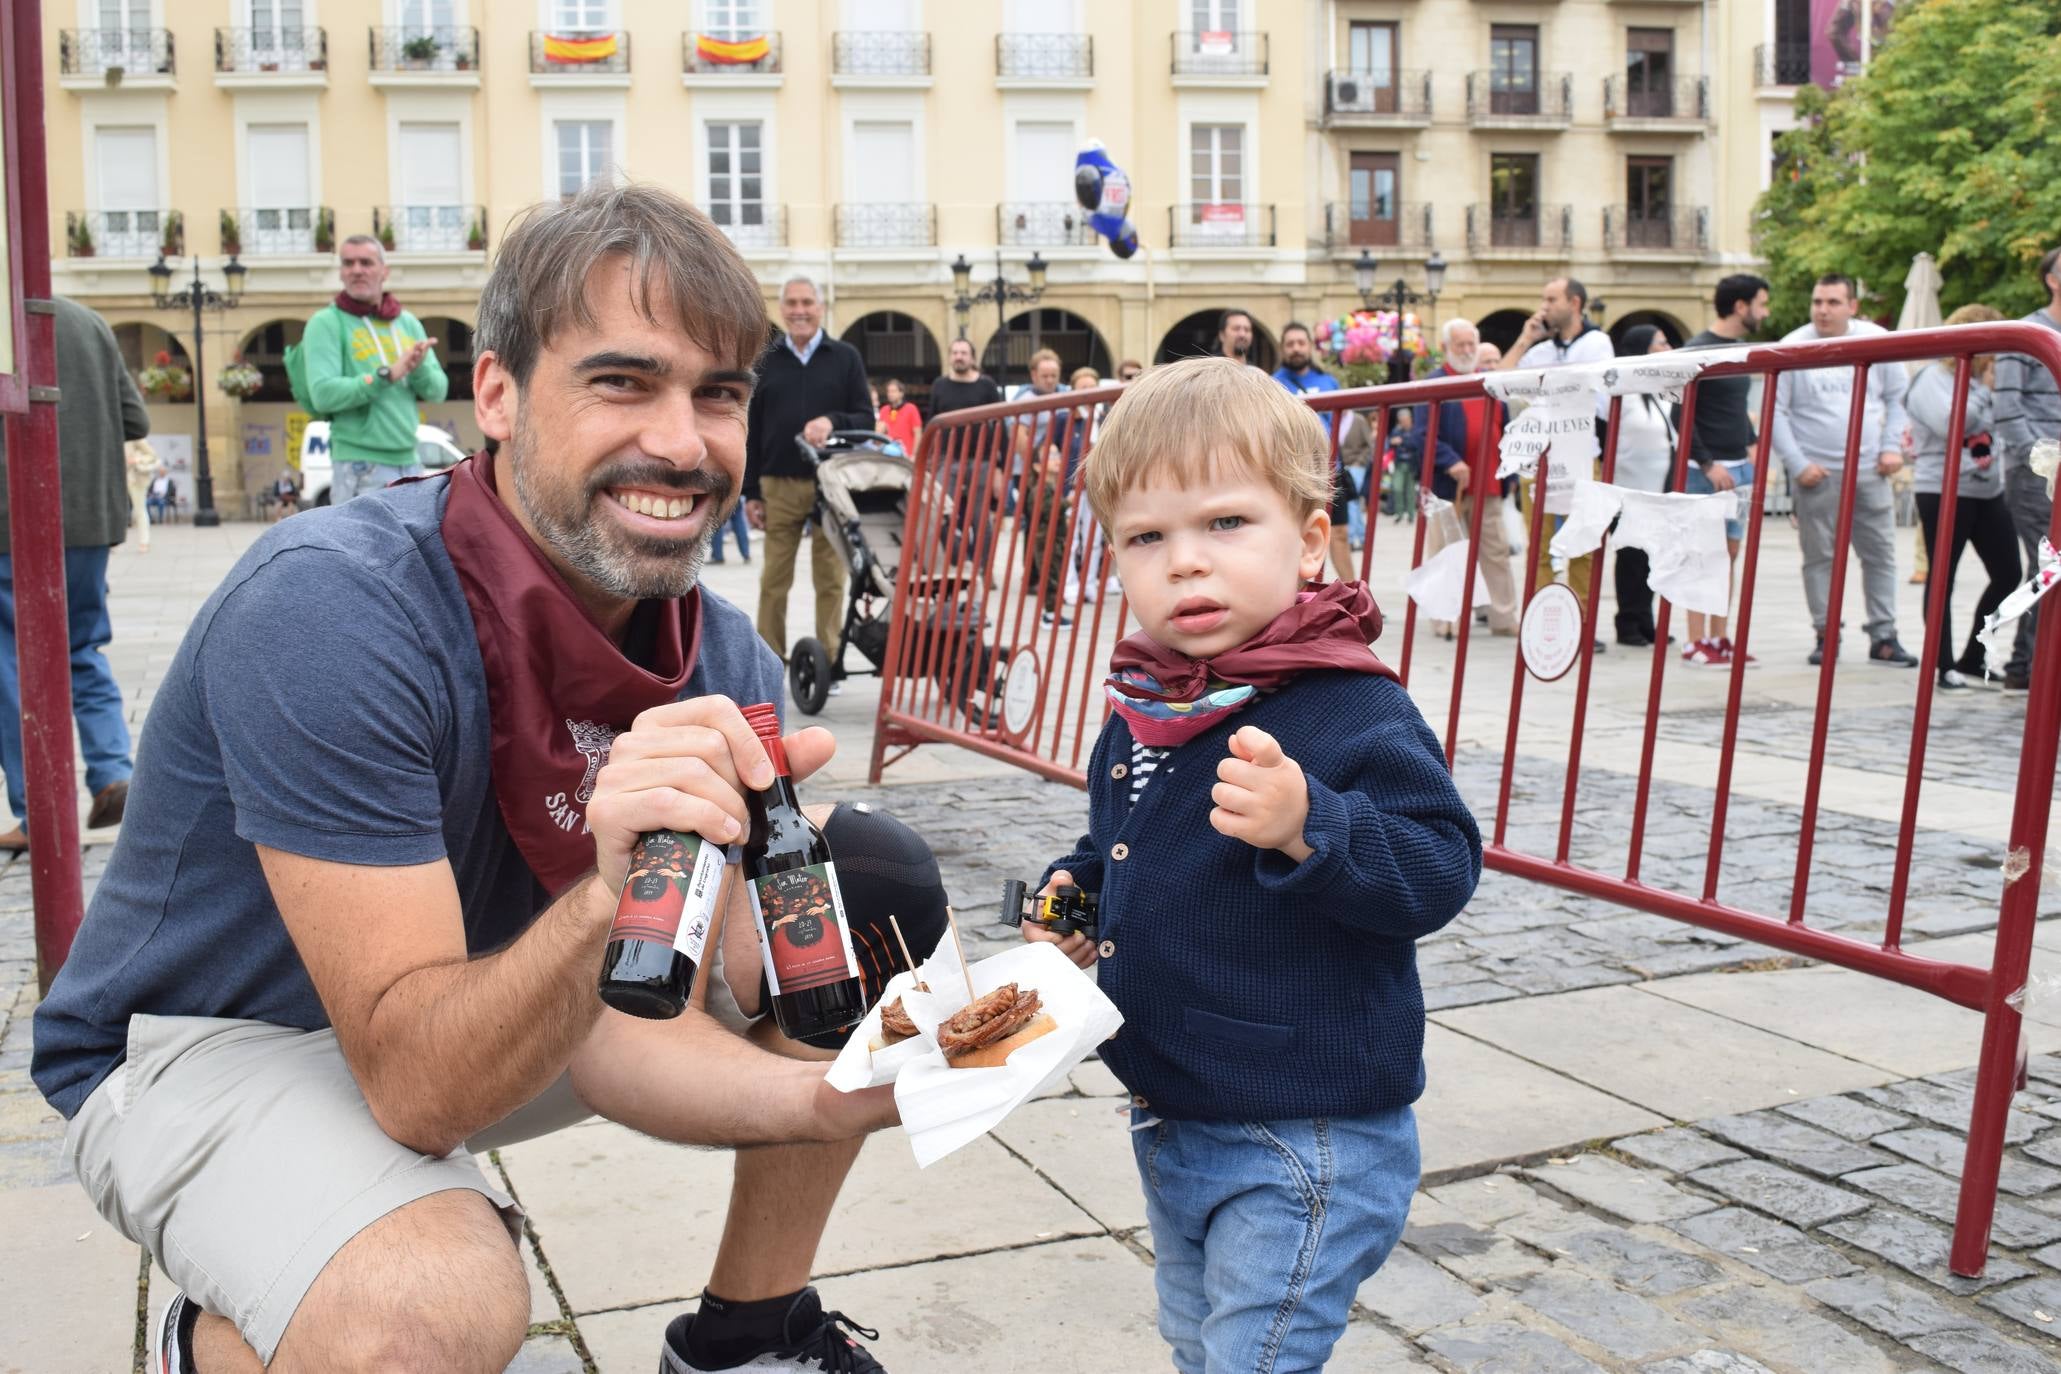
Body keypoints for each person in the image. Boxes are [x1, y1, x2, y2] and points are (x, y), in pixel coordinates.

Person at [32, 183, 938, 1374]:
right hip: (212, 1040)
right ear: (498, 394)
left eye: (718, 394)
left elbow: (627, 1017)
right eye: (623, 382)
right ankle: (215, 1343)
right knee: (433, 1306)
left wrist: (869, 1073)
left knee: (858, 900)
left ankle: (749, 1336)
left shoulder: (718, 652)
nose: (682, 441)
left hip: (478, 1005)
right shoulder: (334, 608)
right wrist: (621, 891)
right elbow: (422, 1089)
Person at [1024, 356, 1480, 1374]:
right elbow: (1123, 843)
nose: (1185, 562)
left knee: (1254, 1360)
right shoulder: (1149, 705)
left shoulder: (1351, 705)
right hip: (1176, 1108)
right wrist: (1076, 890)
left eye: (1225, 524)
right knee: (1198, 1344)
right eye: (1148, 538)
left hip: (1306, 1130)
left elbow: (1439, 866)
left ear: (1310, 543)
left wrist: (1311, 823)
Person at [0, 294, 149, 850]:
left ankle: (36, 807)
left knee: (10, 659)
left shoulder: (5, 320)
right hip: (89, 515)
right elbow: (136, 417)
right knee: (81, 645)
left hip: (12, 516)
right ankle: (112, 769)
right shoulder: (88, 321)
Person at [1770, 273, 1919, 667]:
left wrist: (1891, 447)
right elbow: (1775, 411)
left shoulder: (1874, 341)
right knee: (1819, 558)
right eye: (1818, 301)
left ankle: (1884, 636)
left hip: (1870, 468)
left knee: (1881, 555)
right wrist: (1797, 464)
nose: (1823, 310)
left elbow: (1898, 399)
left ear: (1852, 306)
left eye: (1833, 302)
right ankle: (1826, 632)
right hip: (1819, 474)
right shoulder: (1792, 347)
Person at [743, 275, 872, 662]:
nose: (799, 311)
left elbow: (866, 417)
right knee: (773, 579)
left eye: (807, 303)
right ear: (781, 309)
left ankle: (828, 660)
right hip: (777, 484)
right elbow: (751, 428)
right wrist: (750, 491)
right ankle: (768, 659)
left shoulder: (845, 356)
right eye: (792, 303)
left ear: (820, 307)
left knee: (830, 578)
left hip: (832, 485)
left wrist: (833, 421)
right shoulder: (765, 360)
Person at [1909, 304, 2017, 691]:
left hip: (1988, 489)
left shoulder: (1984, 379)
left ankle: (1973, 655)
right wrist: (1986, 394)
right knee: (1943, 578)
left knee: (2009, 573)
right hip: (1943, 489)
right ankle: (1942, 664)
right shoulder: (1932, 379)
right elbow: (1951, 423)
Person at [1503, 279, 1614, 648]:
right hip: (1538, 457)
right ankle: (1545, 625)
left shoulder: (1597, 344)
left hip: (1581, 452)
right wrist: (1524, 339)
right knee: (1539, 544)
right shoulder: (1538, 351)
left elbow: (1600, 400)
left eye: (1551, 299)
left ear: (1575, 302)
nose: (1544, 306)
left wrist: (1548, 397)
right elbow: (1501, 384)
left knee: (1584, 539)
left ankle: (1581, 624)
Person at [301, 234, 447, 502]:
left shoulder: (408, 323)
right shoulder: (326, 323)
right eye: (348, 263)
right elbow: (323, 393)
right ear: (341, 273)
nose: (357, 270)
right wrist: (386, 375)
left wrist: (417, 368)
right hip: (358, 465)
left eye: (366, 262)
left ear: (384, 271)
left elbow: (438, 390)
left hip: (410, 462)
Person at [1398, 318, 1519, 639]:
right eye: (1460, 345)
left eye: (1470, 345)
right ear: (1446, 348)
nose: (1466, 351)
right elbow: (1423, 435)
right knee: (1445, 553)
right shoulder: (1434, 383)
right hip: (1447, 487)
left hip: (1488, 484)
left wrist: (1510, 471)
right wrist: (1450, 461)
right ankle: (1444, 618)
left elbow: (1503, 430)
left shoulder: (1488, 381)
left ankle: (1503, 617)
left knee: (1496, 551)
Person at [1676, 274, 1771, 667]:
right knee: (1700, 555)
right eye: (1761, 304)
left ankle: (1720, 637)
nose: (1766, 312)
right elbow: (1681, 412)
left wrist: (1751, 447)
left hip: (1738, 469)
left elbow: (1735, 409)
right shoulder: (1697, 350)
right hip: (1705, 471)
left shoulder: (1741, 349)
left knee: (1729, 555)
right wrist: (1708, 463)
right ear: (1740, 306)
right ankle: (1694, 640)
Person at [1993, 246, 2061, 693]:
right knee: (2050, 566)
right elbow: (2007, 408)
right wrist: (2041, 459)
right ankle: (2033, 668)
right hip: (2039, 471)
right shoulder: (2028, 334)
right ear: (2051, 279)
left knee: (2049, 569)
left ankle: (2025, 664)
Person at [1610, 326, 1678, 647]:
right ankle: (1628, 622)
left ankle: (1646, 619)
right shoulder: (1621, 391)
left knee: (1653, 556)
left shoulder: (1664, 389)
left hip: (1658, 489)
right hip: (1627, 489)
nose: (1668, 347)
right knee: (1631, 558)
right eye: (1661, 343)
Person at [1270, 322, 1352, 581]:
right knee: (1298, 536)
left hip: (1330, 470)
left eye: (1301, 343)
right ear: (1283, 349)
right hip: (1295, 473)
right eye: (1290, 344)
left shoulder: (1329, 381)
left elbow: (1345, 419)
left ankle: (1355, 596)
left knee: (1339, 533)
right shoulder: (1272, 384)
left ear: (1309, 346)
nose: (1296, 349)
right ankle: (1302, 600)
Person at [125, 436, 157, 551]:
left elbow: (152, 455)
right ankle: (112, 543)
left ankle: (144, 541)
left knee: (139, 510)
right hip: (118, 478)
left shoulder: (134, 438)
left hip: (136, 478)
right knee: (114, 510)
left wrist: (137, 460)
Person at [876, 377, 921, 453]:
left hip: (906, 455)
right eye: (888, 391)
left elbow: (918, 434)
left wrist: (914, 455)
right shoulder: (884, 410)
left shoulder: (911, 408)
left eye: (893, 391)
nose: (890, 394)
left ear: (901, 393)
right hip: (887, 453)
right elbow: (878, 436)